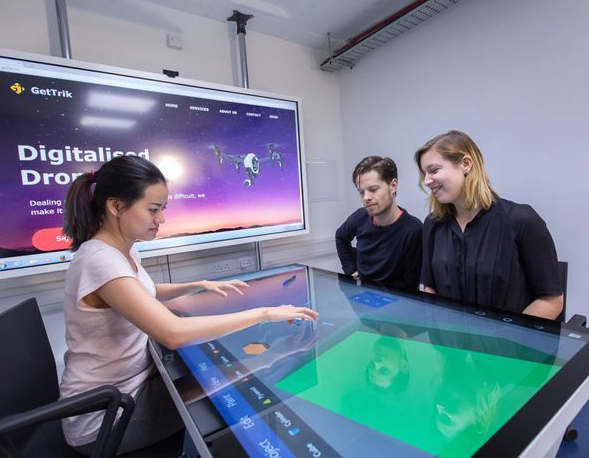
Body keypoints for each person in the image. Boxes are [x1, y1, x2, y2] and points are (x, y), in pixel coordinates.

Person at [60, 155, 317, 455]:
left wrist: (199, 284)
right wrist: (265, 313)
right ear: (115, 207)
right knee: (230, 396)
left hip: (132, 387)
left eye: (163, 209)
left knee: (218, 374)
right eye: (153, 209)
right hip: (107, 417)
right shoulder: (100, 260)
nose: (162, 219)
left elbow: (145, 290)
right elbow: (173, 333)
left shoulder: (120, 251)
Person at [415, 130, 563, 319]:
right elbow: (430, 287)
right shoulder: (433, 224)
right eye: (424, 173)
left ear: (466, 164)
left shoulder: (521, 220)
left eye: (434, 170)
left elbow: (551, 300)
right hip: (449, 345)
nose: (426, 181)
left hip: (506, 346)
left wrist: (509, 342)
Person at [335, 156, 423, 292]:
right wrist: (349, 270)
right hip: (363, 298)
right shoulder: (360, 217)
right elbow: (340, 237)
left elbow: (409, 286)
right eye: (361, 192)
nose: (366, 198)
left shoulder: (414, 230)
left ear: (393, 185)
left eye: (373, 189)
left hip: (396, 304)